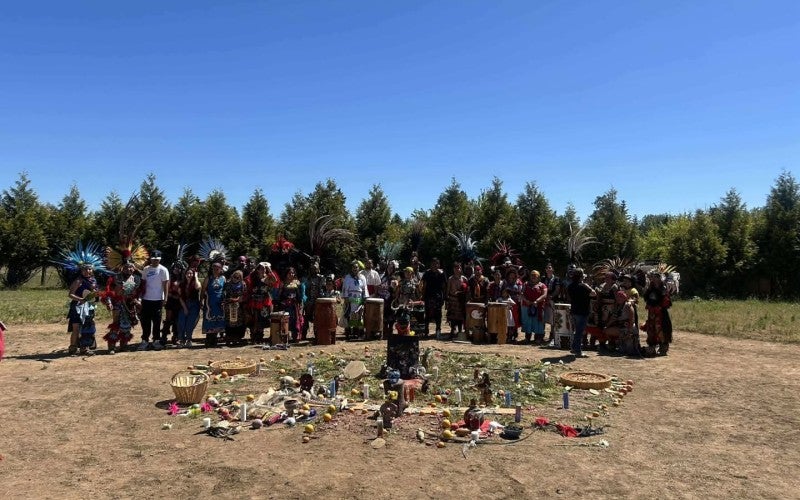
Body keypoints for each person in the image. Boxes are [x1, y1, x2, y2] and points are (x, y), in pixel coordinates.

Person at [101, 260, 141, 354]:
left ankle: (124, 345)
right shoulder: (116, 277)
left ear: (134, 268)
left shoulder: (137, 278)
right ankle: (112, 346)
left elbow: (139, 293)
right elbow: (108, 291)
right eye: (126, 267)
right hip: (118, 303)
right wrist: (109, 302)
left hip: (130, 304)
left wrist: (138, 301)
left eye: (131, 267)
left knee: (127, 325)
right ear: (122, 267)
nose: (129, 269)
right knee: (116, 324)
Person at [67, 264, 102, 355]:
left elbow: (95, 293)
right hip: (77, 307)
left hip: (89, 307)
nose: (87, 271)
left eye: (89, 269)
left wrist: (96, 297)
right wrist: (81, 299)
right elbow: (70, 294)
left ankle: (84, 347)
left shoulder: (93, 280)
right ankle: (73, 347)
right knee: (76, 328)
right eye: (85, 270)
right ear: (81, 271)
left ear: (92, 270)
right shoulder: (78, 280)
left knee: (87, 326)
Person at [138, 250, 170, 351]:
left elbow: (166, 284)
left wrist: (165, 298)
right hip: (146, 299)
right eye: (153, 259)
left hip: (157, 299)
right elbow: (143, 284)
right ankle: (145, 340)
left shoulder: (163, 270)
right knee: (145, 321)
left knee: (157, 321)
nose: (155, 261)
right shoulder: (146, 269)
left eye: (157, 259)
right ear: (150, 259)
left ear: (159, 259)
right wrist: (140, 297)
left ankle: (156, 340)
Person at [567, 268, 596, 358]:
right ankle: (578, 351)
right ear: (581, 276)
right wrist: (588, 286)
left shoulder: (570, 286)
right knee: (580, 332)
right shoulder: (583, 286)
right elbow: (594, 294)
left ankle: (574, 348)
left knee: (577, 331)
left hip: (574, 311)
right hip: (583, 311)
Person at [643, 271, 673, 356]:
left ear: (660, 279)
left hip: (660, 313)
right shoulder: (650, 288)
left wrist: (659, 307)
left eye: (657, 277)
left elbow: (666, 301)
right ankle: (652, 346)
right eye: (654, 277)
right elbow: (647, 298)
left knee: (660, 329)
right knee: (651, 329)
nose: (655, 279)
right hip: (652, 312)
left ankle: (663, 346)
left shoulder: (663, 288)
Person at [244, 262, 274, 344]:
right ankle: (254, 337)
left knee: (263, 319)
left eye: (264, 268)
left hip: (265, 301)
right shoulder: (253, 278)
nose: (263, 270)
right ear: (257, 270)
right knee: (255, 319)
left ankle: (260, 337)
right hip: (254, 301)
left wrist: (269, 269)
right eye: (261, 268)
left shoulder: (267, 278)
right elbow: (246, 281)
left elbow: (274, 281)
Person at [604, 290, 639, 356]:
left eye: (620, 297)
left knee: (629, 351)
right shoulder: (617, 307)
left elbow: (632, 320)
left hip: (629, 329)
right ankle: (613, 344)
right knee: (606, 330)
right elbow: (612, 319)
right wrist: (607, 326)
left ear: (624, 298)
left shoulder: (628, 306)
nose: (619, 299)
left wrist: (629, 332)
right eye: (617, 297)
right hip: (621, 328)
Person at [201, 261, 226, 347]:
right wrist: (201, 301)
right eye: (214, 268)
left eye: (217, 268)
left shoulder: (223, 278)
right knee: (209, 319)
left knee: (218, 320)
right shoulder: (208, 278)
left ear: (220, 269)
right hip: (210, 303)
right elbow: (203, 290)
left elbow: (225, 290)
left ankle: (215, 339)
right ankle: (209, 339)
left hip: (220, 303)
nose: (215, 270)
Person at [420, 257, 447, 337]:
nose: (435, 265)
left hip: (438, 296)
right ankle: (426, 331)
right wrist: (423, 296)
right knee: (427, 314)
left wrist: (444, 296)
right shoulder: (427, 273)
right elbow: (424, 285)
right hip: (428, 296)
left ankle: (438, 330)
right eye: (433, 263)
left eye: (436, 263)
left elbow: (444, 286)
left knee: (438, 314)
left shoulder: (442, 274)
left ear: (439, 265)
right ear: (431, 264)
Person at [342, 261, 368, 340]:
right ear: (351, 268)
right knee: (350, 315)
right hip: (350, 299)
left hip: (359, 299)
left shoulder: (362, 277)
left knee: (359, 316)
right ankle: (349, 333)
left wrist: (365, 298)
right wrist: (346, 298)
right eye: (353, 267)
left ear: (359, 268)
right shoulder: (348, 277)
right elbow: (345, 288)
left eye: (356, 267)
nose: (355, 269)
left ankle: (358, 333)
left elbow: (364, 288)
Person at [520, 270, 548, 344]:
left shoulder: (542, 285)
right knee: (527, 321)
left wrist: (537, 301)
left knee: (538, 322)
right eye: (532, 275)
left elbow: (544, 295)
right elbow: (521, 294)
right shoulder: (526, 284)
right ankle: (527, 337)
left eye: (535, 275)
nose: (533, 276)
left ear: (538, 277)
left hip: (538, 306)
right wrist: (526, 301)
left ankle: (538, 338)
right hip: (527, 306)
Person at [278, 267, 305, 342]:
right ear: (286, 274)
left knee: (295, 321)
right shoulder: (283, 283)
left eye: (293, 273)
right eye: (289, 273)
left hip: (294, 306)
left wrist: (300, 305)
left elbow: (300, 295)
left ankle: (295, 336)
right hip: (285, 305)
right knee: (285, 320)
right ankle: (285, 336)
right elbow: (280, 295)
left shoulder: (297, 283)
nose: (291, 274)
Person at [177, 267, 201, 347]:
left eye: (191, 273)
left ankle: (189, 339)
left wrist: (196, 276)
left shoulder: (195, 283)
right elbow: (180, 297)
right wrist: (185, 308)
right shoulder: (181, 284)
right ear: (185, 274)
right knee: (181, 322)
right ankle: (181, 340)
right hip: (184, 304)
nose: (189, 275)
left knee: (190, 323)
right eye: (188, 273)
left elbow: (198, 287)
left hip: (194, 304)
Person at [302, 259, 326, 340]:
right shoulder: (306, 278)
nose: (313, 270)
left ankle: (317, 334)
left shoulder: (321, 278)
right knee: (305, 317)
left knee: (317, 318)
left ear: (318, 269)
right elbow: (304, 290)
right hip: (308, 301)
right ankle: (303, 334)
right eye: (312, 269)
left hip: (318, 301)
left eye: (315, 268)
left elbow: (322, 290)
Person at [161, 261, 184, 345]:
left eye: (178, 268)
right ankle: (164, 336)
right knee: (168, 319)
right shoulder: (169, 278)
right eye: (175, 268)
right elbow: (166, 289)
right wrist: (172, 295)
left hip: (180, 302)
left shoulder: (183, 279)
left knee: (177, 320)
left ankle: (176, 336)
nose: (176, 269)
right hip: (170, 300)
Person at [223, 270, 248, 346]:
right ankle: (229, 337)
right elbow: (224, 293)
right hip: (229, 305)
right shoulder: (227, 283)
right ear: (232, 276)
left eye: (238, 277)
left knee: (238, 322)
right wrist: (228, 300)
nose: (236, 278)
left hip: (239, 306)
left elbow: (244, 295)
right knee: (229, 321)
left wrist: (237, 299)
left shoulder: (243, 284)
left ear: (240, 278)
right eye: (234, 276)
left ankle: (237, 337)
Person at [446, 262, 467, 336]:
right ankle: (452, 330)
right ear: (453, 269)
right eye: (456, 268)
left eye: (459, 268)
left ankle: (460, 330)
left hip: (460, 301)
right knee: (452, 317)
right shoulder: (450, 279)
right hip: (452, 300)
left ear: (461, 269)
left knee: (460, 317)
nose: (457, 269)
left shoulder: (464, 279)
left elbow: (466, 290)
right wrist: (447, 300)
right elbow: (448, 290)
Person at [542, 263, 561, 344]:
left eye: (550, 268)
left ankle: (552, 336)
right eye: (547, 268)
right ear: (545, 270)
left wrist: (550, 297)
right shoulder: (543, 279)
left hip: (552, 300)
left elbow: (557, 290)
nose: (548, 269)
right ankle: (541, 335)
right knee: (543, 317)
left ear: (552, 270)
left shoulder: (556, 279)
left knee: (552, 319)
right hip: (543, 301)